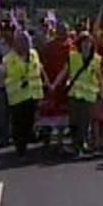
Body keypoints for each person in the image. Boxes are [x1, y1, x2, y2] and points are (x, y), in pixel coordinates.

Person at [52, 32, 103, 156]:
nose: (87, 45)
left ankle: (81, 143)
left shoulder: (96, 59)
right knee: (74, 121)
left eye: (89, 42)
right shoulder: (73, 56)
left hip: (89, 95)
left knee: (85, 122)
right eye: (84, 42)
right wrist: (54, 84)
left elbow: (99, 76)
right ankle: (76, 144)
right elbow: (65, 71)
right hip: (75, 93)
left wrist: (102, 91)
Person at [2, 31, 46, 157]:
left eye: (26, 41)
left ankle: (26, 142)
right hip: (17, 96)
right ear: (16, 43)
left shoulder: (34, 54)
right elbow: (7, 74)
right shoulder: (9, 58)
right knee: (18, 123)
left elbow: (38, 69)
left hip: (32, 94)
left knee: (29, 122)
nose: (24, 44)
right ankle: (20, 148)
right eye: (21, 41)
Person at [37, 21, 72, 151]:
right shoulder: (49, 46)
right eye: (63, 29)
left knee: (62, 113)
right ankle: (47, 137)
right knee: (49, 111)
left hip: (64, 84)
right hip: (51, 84)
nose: (65, 32)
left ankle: (59, 141)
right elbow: (42, 65)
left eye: (66, 30)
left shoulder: (70, 46)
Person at [0, 21, 13, 146]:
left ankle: (14, 135)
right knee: (2, 111)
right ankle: (4, 137)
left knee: (14, 112)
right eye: (5, 29)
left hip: (15, 85)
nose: (7, 32)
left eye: (9, 30)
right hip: (0, 84)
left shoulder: (17, 45)